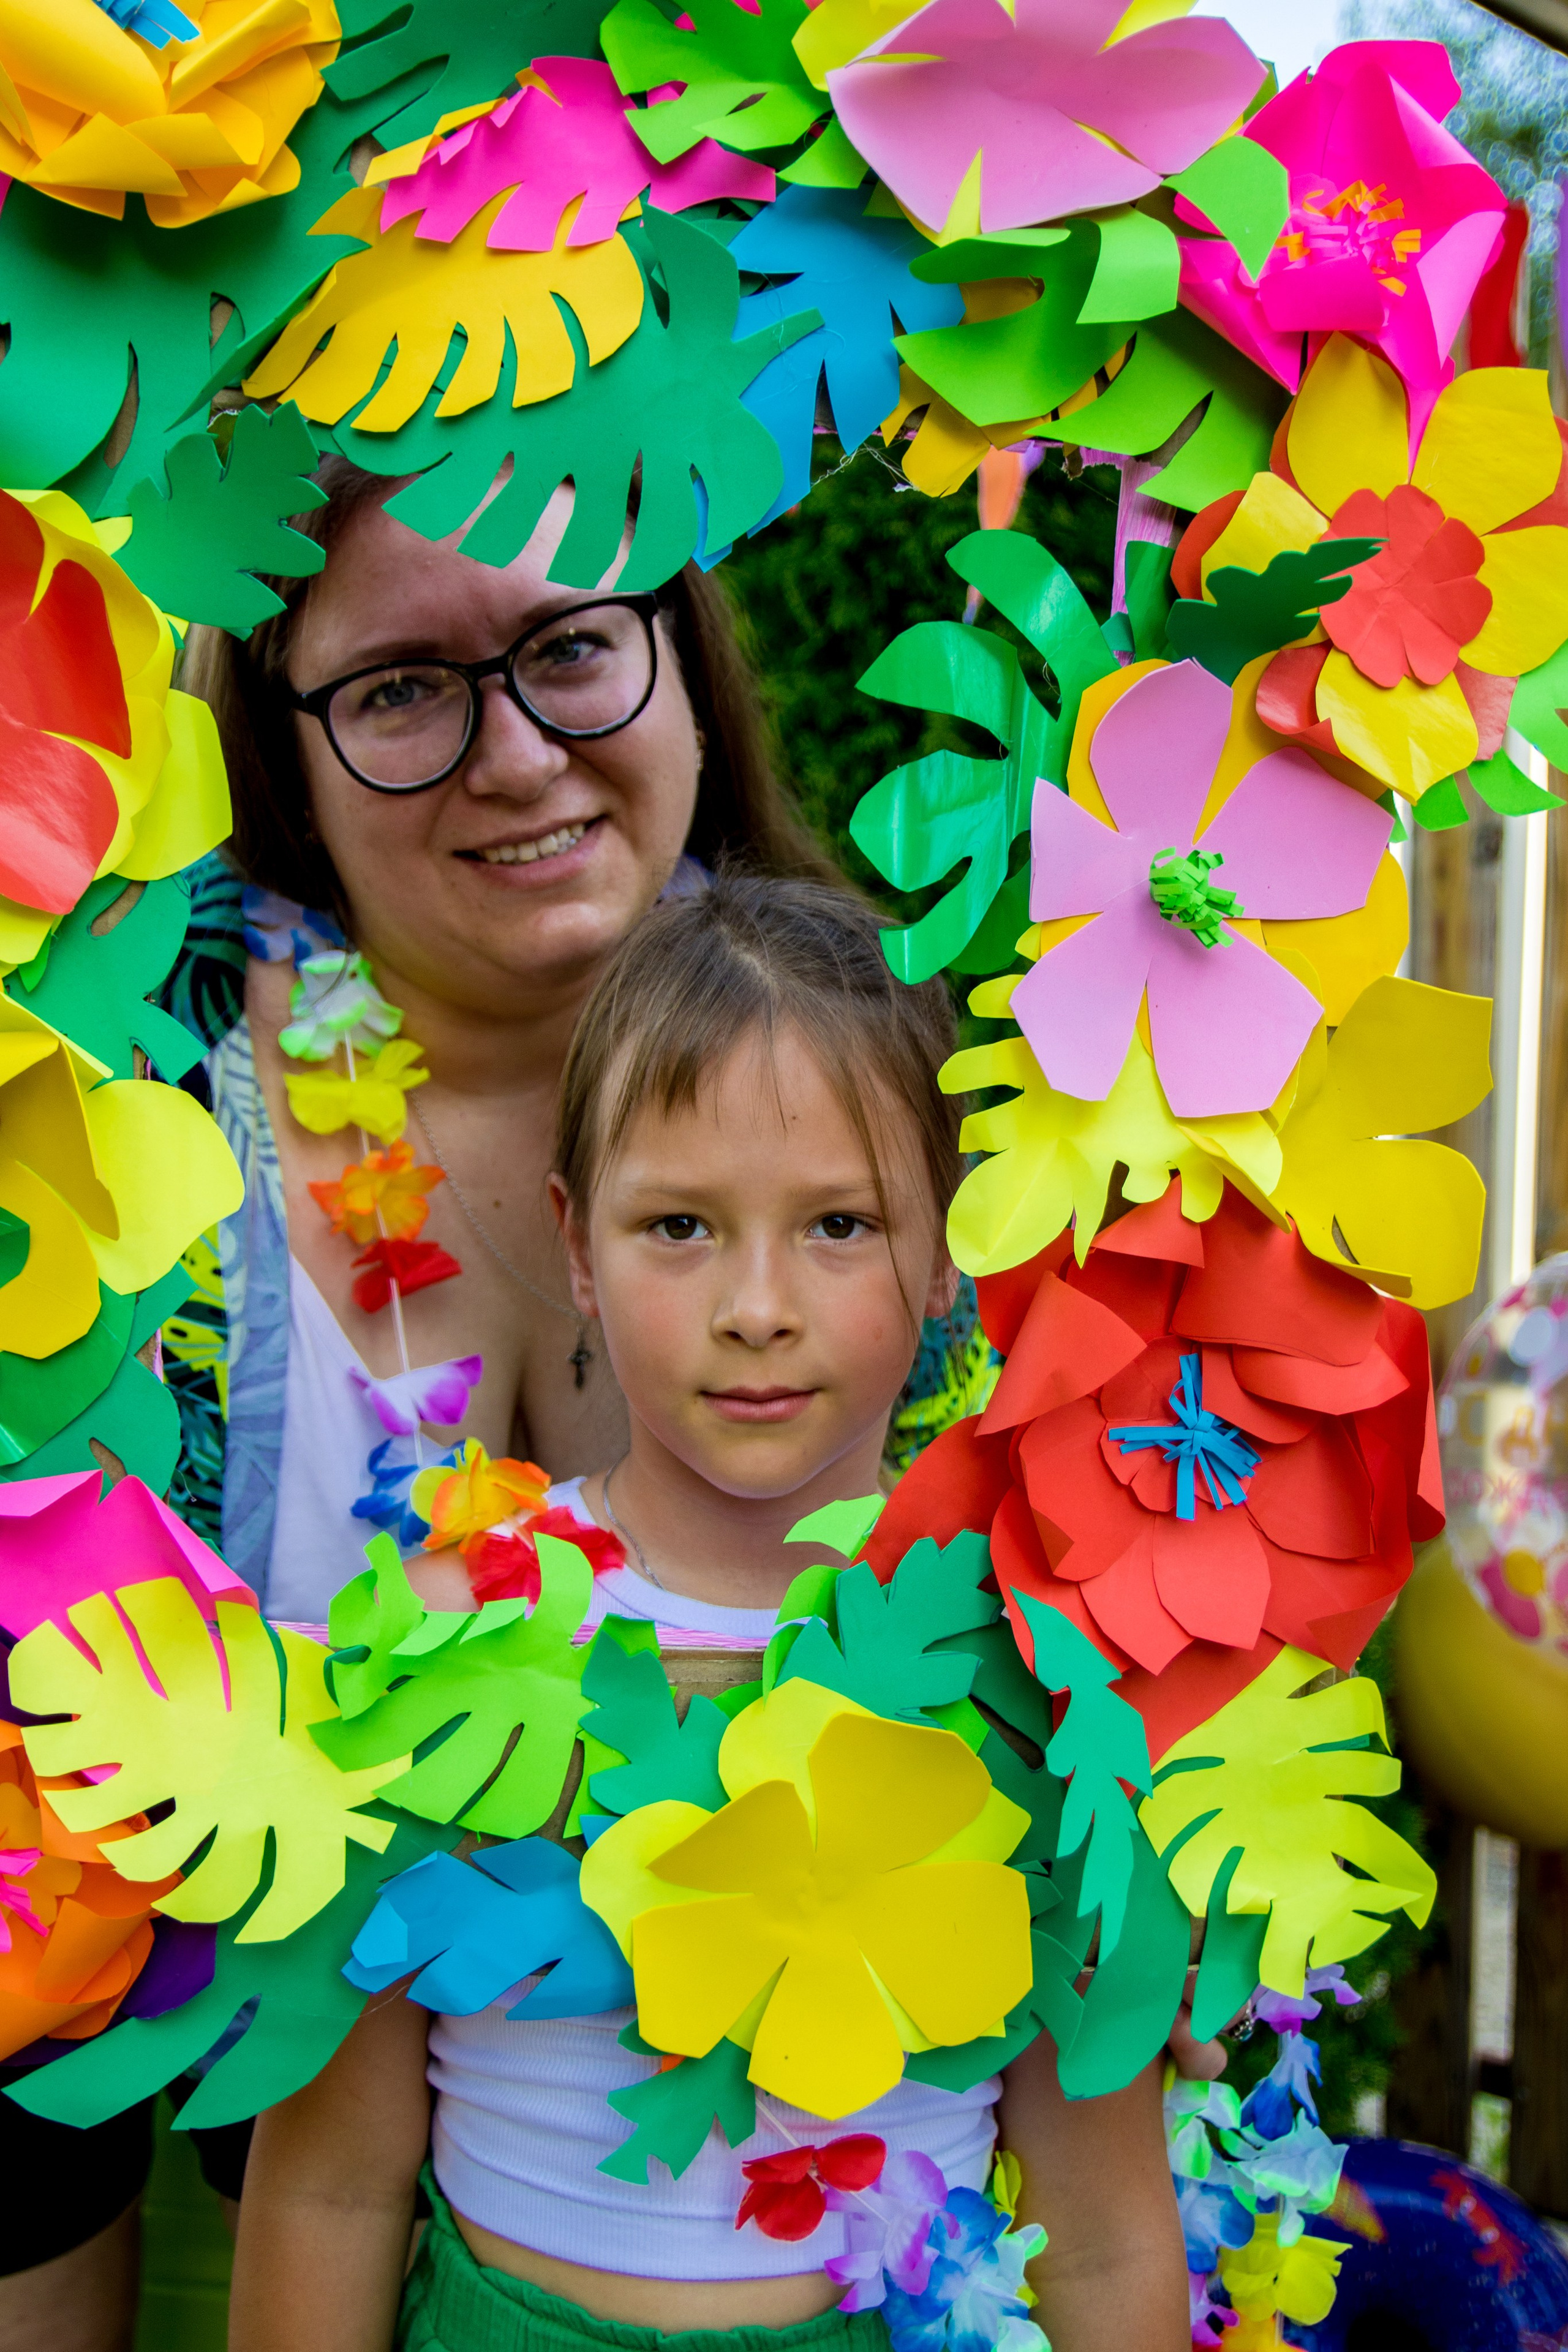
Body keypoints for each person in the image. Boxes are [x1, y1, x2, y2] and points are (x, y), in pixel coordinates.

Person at [0, 467, 993, 2349]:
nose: (519, 754)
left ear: (681, 651)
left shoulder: (891, 1090)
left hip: (774, 2234)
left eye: (572, 647)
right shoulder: (100, 1130)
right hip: (192, 2203)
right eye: (401, 689)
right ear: (284, 745)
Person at [228, 877, 1190, 2352]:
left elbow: (1108, 2235)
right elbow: (330, 2190)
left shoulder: (1039, 1671)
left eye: (837, 1225)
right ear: (575, 1245)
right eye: (678, 1224)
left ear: (949, 1245)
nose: (755, 1306)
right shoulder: (445, 1637)